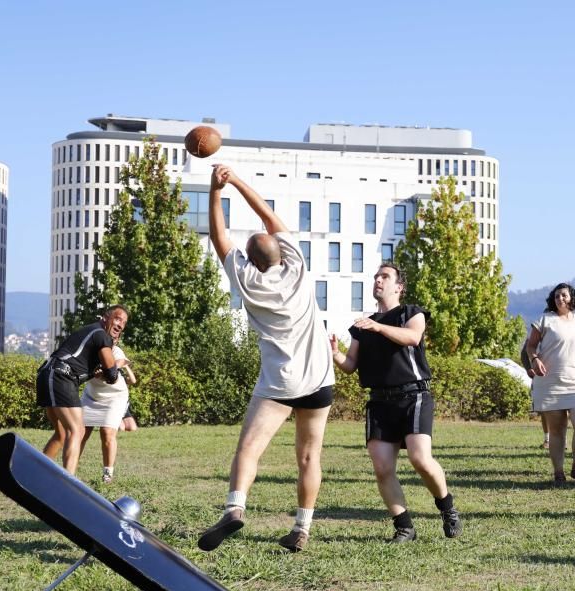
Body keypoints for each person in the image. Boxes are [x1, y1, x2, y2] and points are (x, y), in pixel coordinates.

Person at [198, 164, 334, 553]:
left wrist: (215, 191)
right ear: (280, 251)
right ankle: (301, 528)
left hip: (278, 384)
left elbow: (217, 236)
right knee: (309, 456)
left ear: (251, 261)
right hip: (319, 378)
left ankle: (235, 507)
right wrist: (237, 180)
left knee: (248, 450)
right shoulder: (298, 268)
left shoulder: (248, 281)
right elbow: (269, 218)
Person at [330, 263, 462, 543]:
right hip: (379, 402)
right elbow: (351, 365)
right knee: (382, 468)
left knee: (420, 459)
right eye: (376, 276)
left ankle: (447, 507)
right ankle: (404, 527)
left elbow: (412, 337)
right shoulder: (361, 327)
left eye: (384, 277)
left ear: (398, 287)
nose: (378, 280)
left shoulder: (410, 313)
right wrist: (335, 354)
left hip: (413, 395)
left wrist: (377, 326)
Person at [526, 283, 575, 487]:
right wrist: (535, 359)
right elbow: (531, 345)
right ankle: (558, 474)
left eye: (563, 295)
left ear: (572, 298)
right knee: (557, 430)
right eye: (556, 296)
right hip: (550, 381)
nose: (560, 299)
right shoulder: (545, 320)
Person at [40, 305, 129, 475]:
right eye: (117, 319)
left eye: (124, 322)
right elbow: (111, 374)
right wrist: (110, 371)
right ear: (105, 318)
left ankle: (37, 474)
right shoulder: (102, 335)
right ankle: (68, 482)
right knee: (77, 430)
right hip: (61, 376)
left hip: (47, 373)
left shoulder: (91, 333)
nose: (120, 325)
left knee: (61, 434)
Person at [78, 341, 136, 483]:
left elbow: (118, 367)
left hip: (115, 396)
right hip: (91, 396)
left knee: (107, 432)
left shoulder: (115, 351)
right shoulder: (86, 352)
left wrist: (104, 373)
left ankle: (107, 475)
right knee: (79, 433)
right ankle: (69, 471)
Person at [520, 339, 551, 449]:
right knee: (544, 410)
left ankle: (562, 440)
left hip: (561, 377)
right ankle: (547, 440)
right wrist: (529, 369)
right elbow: (524, 353)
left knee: (563, 409)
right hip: (540, 377)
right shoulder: (538, 331)